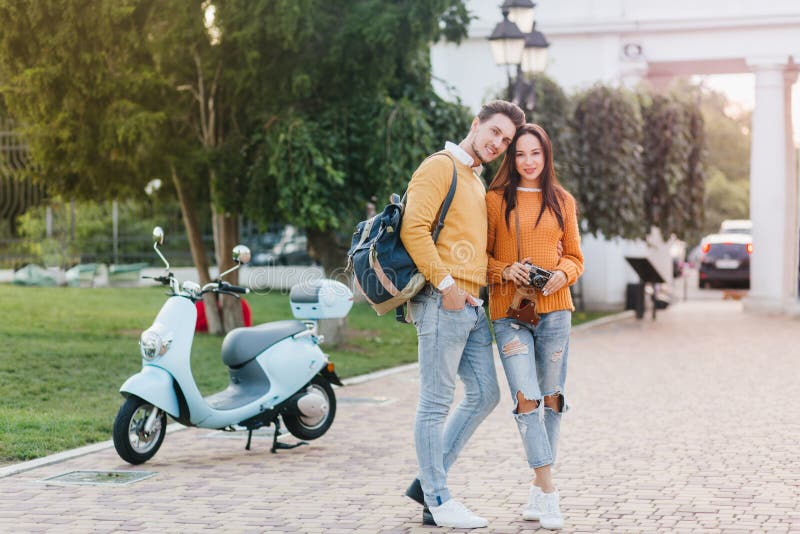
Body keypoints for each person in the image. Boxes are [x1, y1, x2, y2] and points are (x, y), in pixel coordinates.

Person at [400, 100, 525, 529]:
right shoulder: (441, 166)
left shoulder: (475, 177)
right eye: (494, 132)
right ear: (476, 125)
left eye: (506, 140)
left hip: (472, 306)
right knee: (435, 402)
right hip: (444, 300)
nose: (498, 143)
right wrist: (447, 286)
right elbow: (413, 228)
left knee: (486, 394)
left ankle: (426, 482)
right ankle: (437, 498)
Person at [486, 123, 584, 530]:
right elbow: (479, 260)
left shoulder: (563, 201)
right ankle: (548, 490)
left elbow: (576, 258)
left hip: (556, 313)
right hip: (509, 315)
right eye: (520, 154)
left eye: (535, 154)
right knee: (526, 398)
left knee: (552, 399)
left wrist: (563, 272)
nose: (528, 161)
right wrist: (507, 269)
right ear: (511, 159)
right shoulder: (493, 201)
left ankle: (536, 486)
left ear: (547, 157)